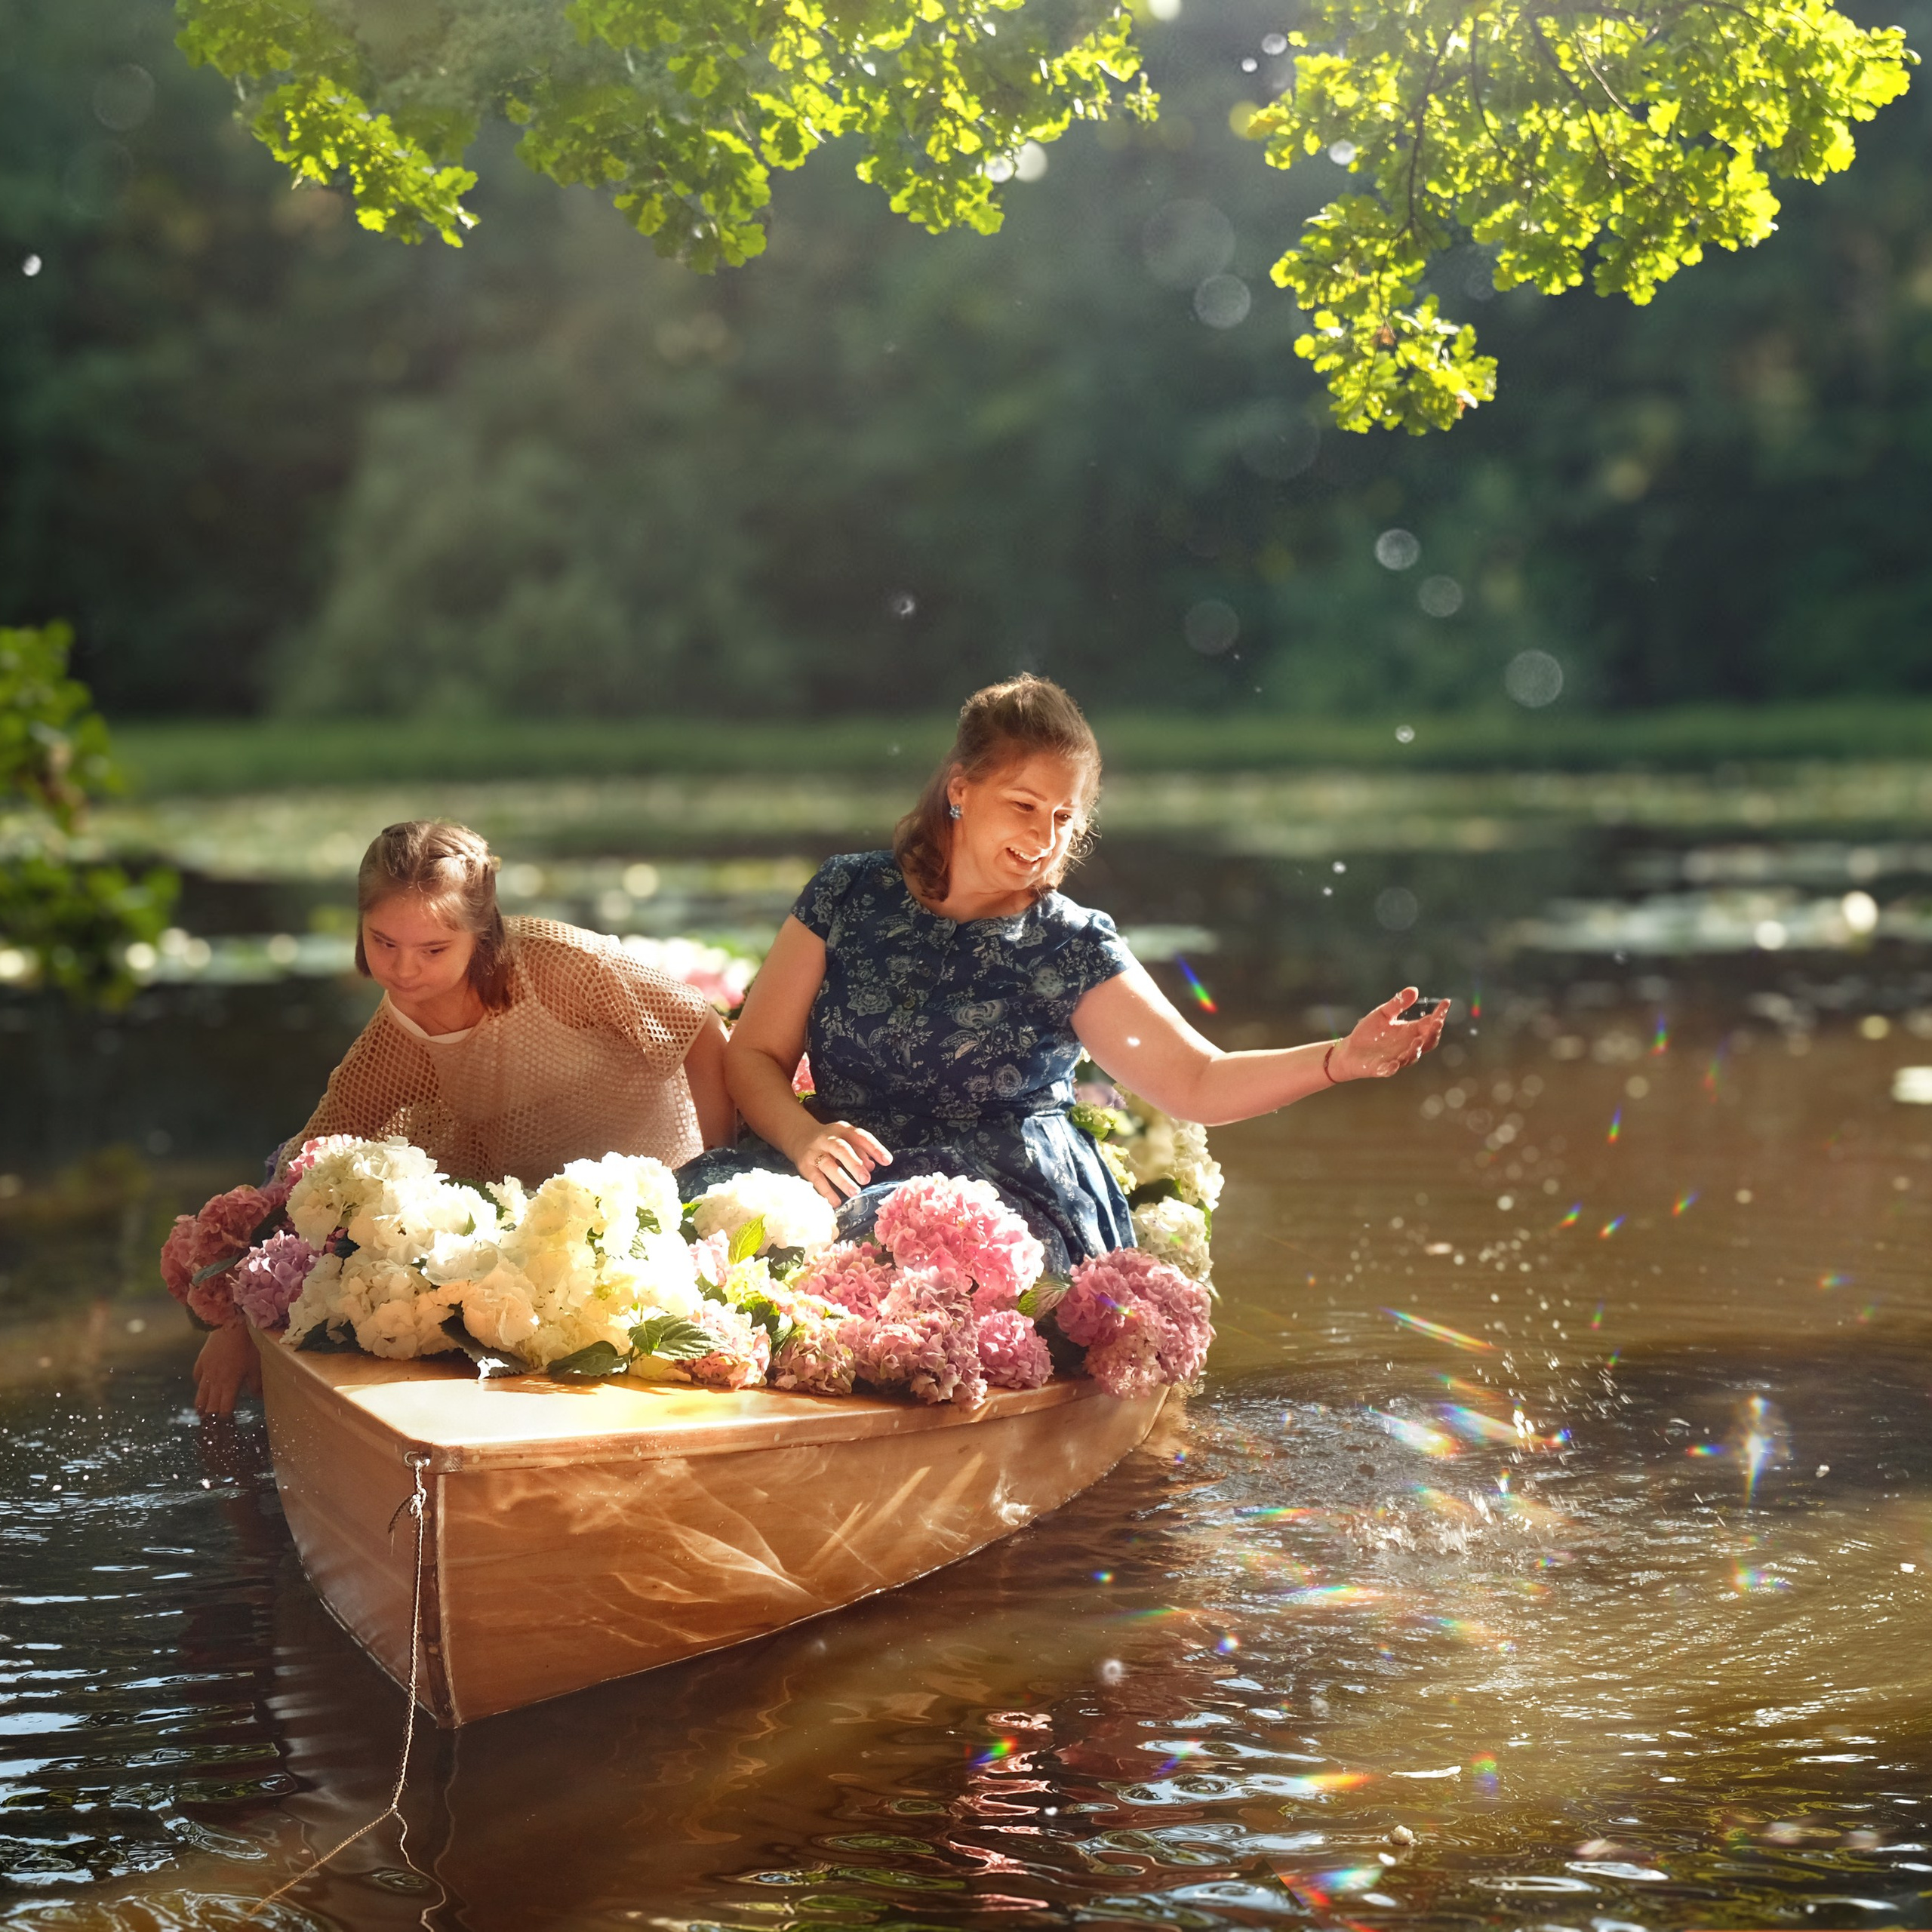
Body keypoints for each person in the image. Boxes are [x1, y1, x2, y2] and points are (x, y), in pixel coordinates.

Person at [681, 674, 1447, 1269]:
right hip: (832, 1170)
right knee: (693, 1223)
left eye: (1063, 818)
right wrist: (803, 1138)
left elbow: (1197, 1083)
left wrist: (1336, 1062)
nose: (1044, 836)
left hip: (999, 1202)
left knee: (871, 1244)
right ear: (960, 789)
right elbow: (755, 1054)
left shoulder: (1068, 945)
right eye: (1023, 805)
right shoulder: (846, 893)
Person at [192, 819, 732, 1415]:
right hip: (537, 1229)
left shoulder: (558, 964)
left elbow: (700, 1030)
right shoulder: (393, 1043)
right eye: (383, 942)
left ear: (482, 932)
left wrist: (711, 1178)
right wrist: (238, 1320)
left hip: (667, 1177)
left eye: (433, 949)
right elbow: (312, 1162)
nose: (403, 971)